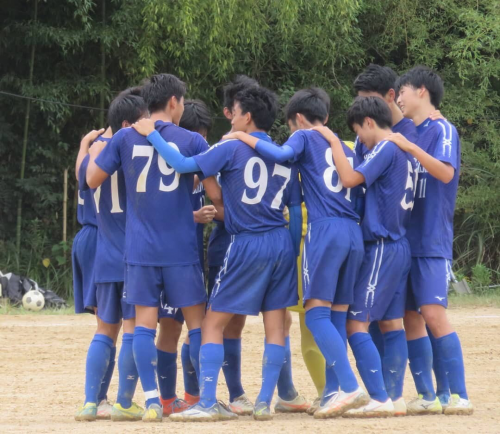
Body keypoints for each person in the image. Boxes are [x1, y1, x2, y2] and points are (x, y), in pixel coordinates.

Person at [132, 85, 302, 421]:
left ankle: (207, 402)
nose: (231, 117)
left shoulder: (232, 148)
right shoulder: (286, 154)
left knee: (212, 323)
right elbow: (294, 212)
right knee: (276, 326)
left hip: (247, 241)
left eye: (235, 112)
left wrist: (152, 134)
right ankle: (265, 402)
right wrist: (292, 250)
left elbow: (181, 164)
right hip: (281, 242)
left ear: (247, 117)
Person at [86, 73, 224, 422]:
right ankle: (204, 398)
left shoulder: (124, 139)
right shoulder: (192, 139)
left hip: (140, 250)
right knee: (198, 326)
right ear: (175, 102)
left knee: (144, 325)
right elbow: (215, 194)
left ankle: (150, 402)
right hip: (180, 248)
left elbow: (91, 180)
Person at [224, 87, 369, 419]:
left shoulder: (305, 137)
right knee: (336, 317)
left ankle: (348, 387)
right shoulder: (345, 145)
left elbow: (279, 156)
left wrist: (242, 138)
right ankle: (333, 392)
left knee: (316, 314)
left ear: (298, 119)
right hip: (353, 231)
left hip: (325, 230)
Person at [314, 96, 417, 417]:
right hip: (400, 244)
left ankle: (378, 397)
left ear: (369, 122)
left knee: (355, 323)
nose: (358, 138)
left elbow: (350, 179)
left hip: (382, 245)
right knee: (390, 322)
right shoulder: (401, 148)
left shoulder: (386, 147)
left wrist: (332, 139)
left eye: (359, 131)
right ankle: (394, 397)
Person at [387, 65, 473, 415]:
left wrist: (410, 147)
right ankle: (427, 394)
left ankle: (458, 394)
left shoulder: (442, 129)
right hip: (405, 239)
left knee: (434, 314)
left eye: (402, 92)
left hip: (431, 240)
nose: (399, 99)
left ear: (421, 90)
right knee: (411, 316)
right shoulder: (409, 130)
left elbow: (446, 171)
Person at [75, 90, 149, 422]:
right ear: (127, 123)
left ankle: (91, 402)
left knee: (104, 331)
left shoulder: (94, 155)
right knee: (132, 329)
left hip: (104, 253)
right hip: (132, 254)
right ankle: (123, 402)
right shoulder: (133, 150)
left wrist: (85, 146)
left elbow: (84, 181)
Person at [156, 99, 218, 415]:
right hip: (171, 256)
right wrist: (193, 216)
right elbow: (158, 211)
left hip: (193, 255)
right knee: (170, 326)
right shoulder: (165, 162)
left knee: (195, 324)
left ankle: (193, 396)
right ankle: (168, 400)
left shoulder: (201, 167)